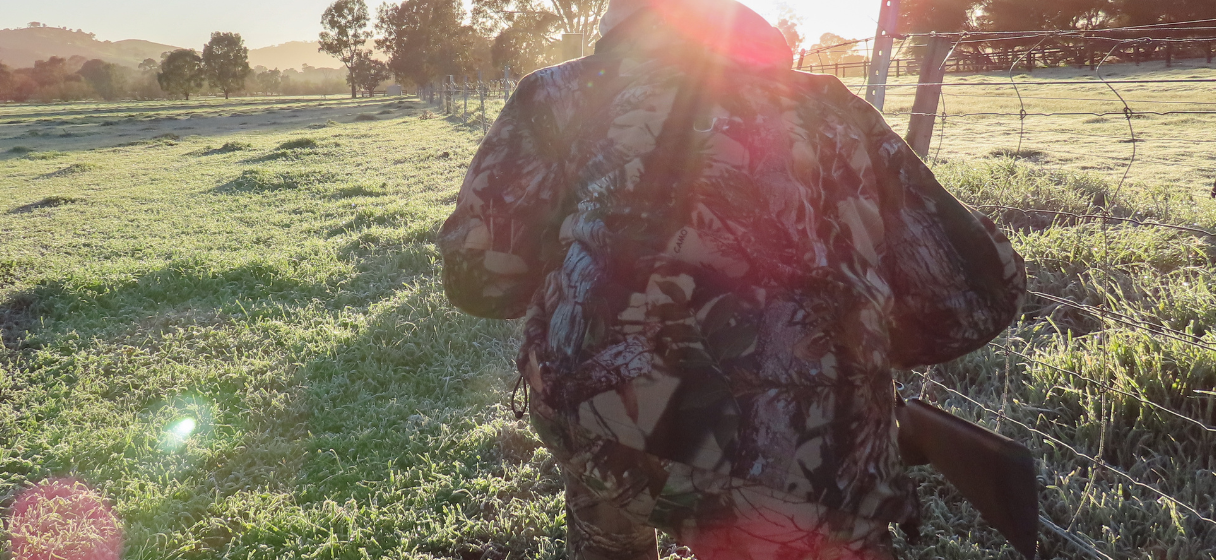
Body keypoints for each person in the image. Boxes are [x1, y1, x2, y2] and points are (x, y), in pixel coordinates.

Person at [437, 0, 1027, 557]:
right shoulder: (832, 106)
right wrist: (847, 355)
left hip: (601, 422)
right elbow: (972, 298)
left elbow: (478, 282)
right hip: (807, 456)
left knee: (607, 509)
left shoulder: (557, 96)